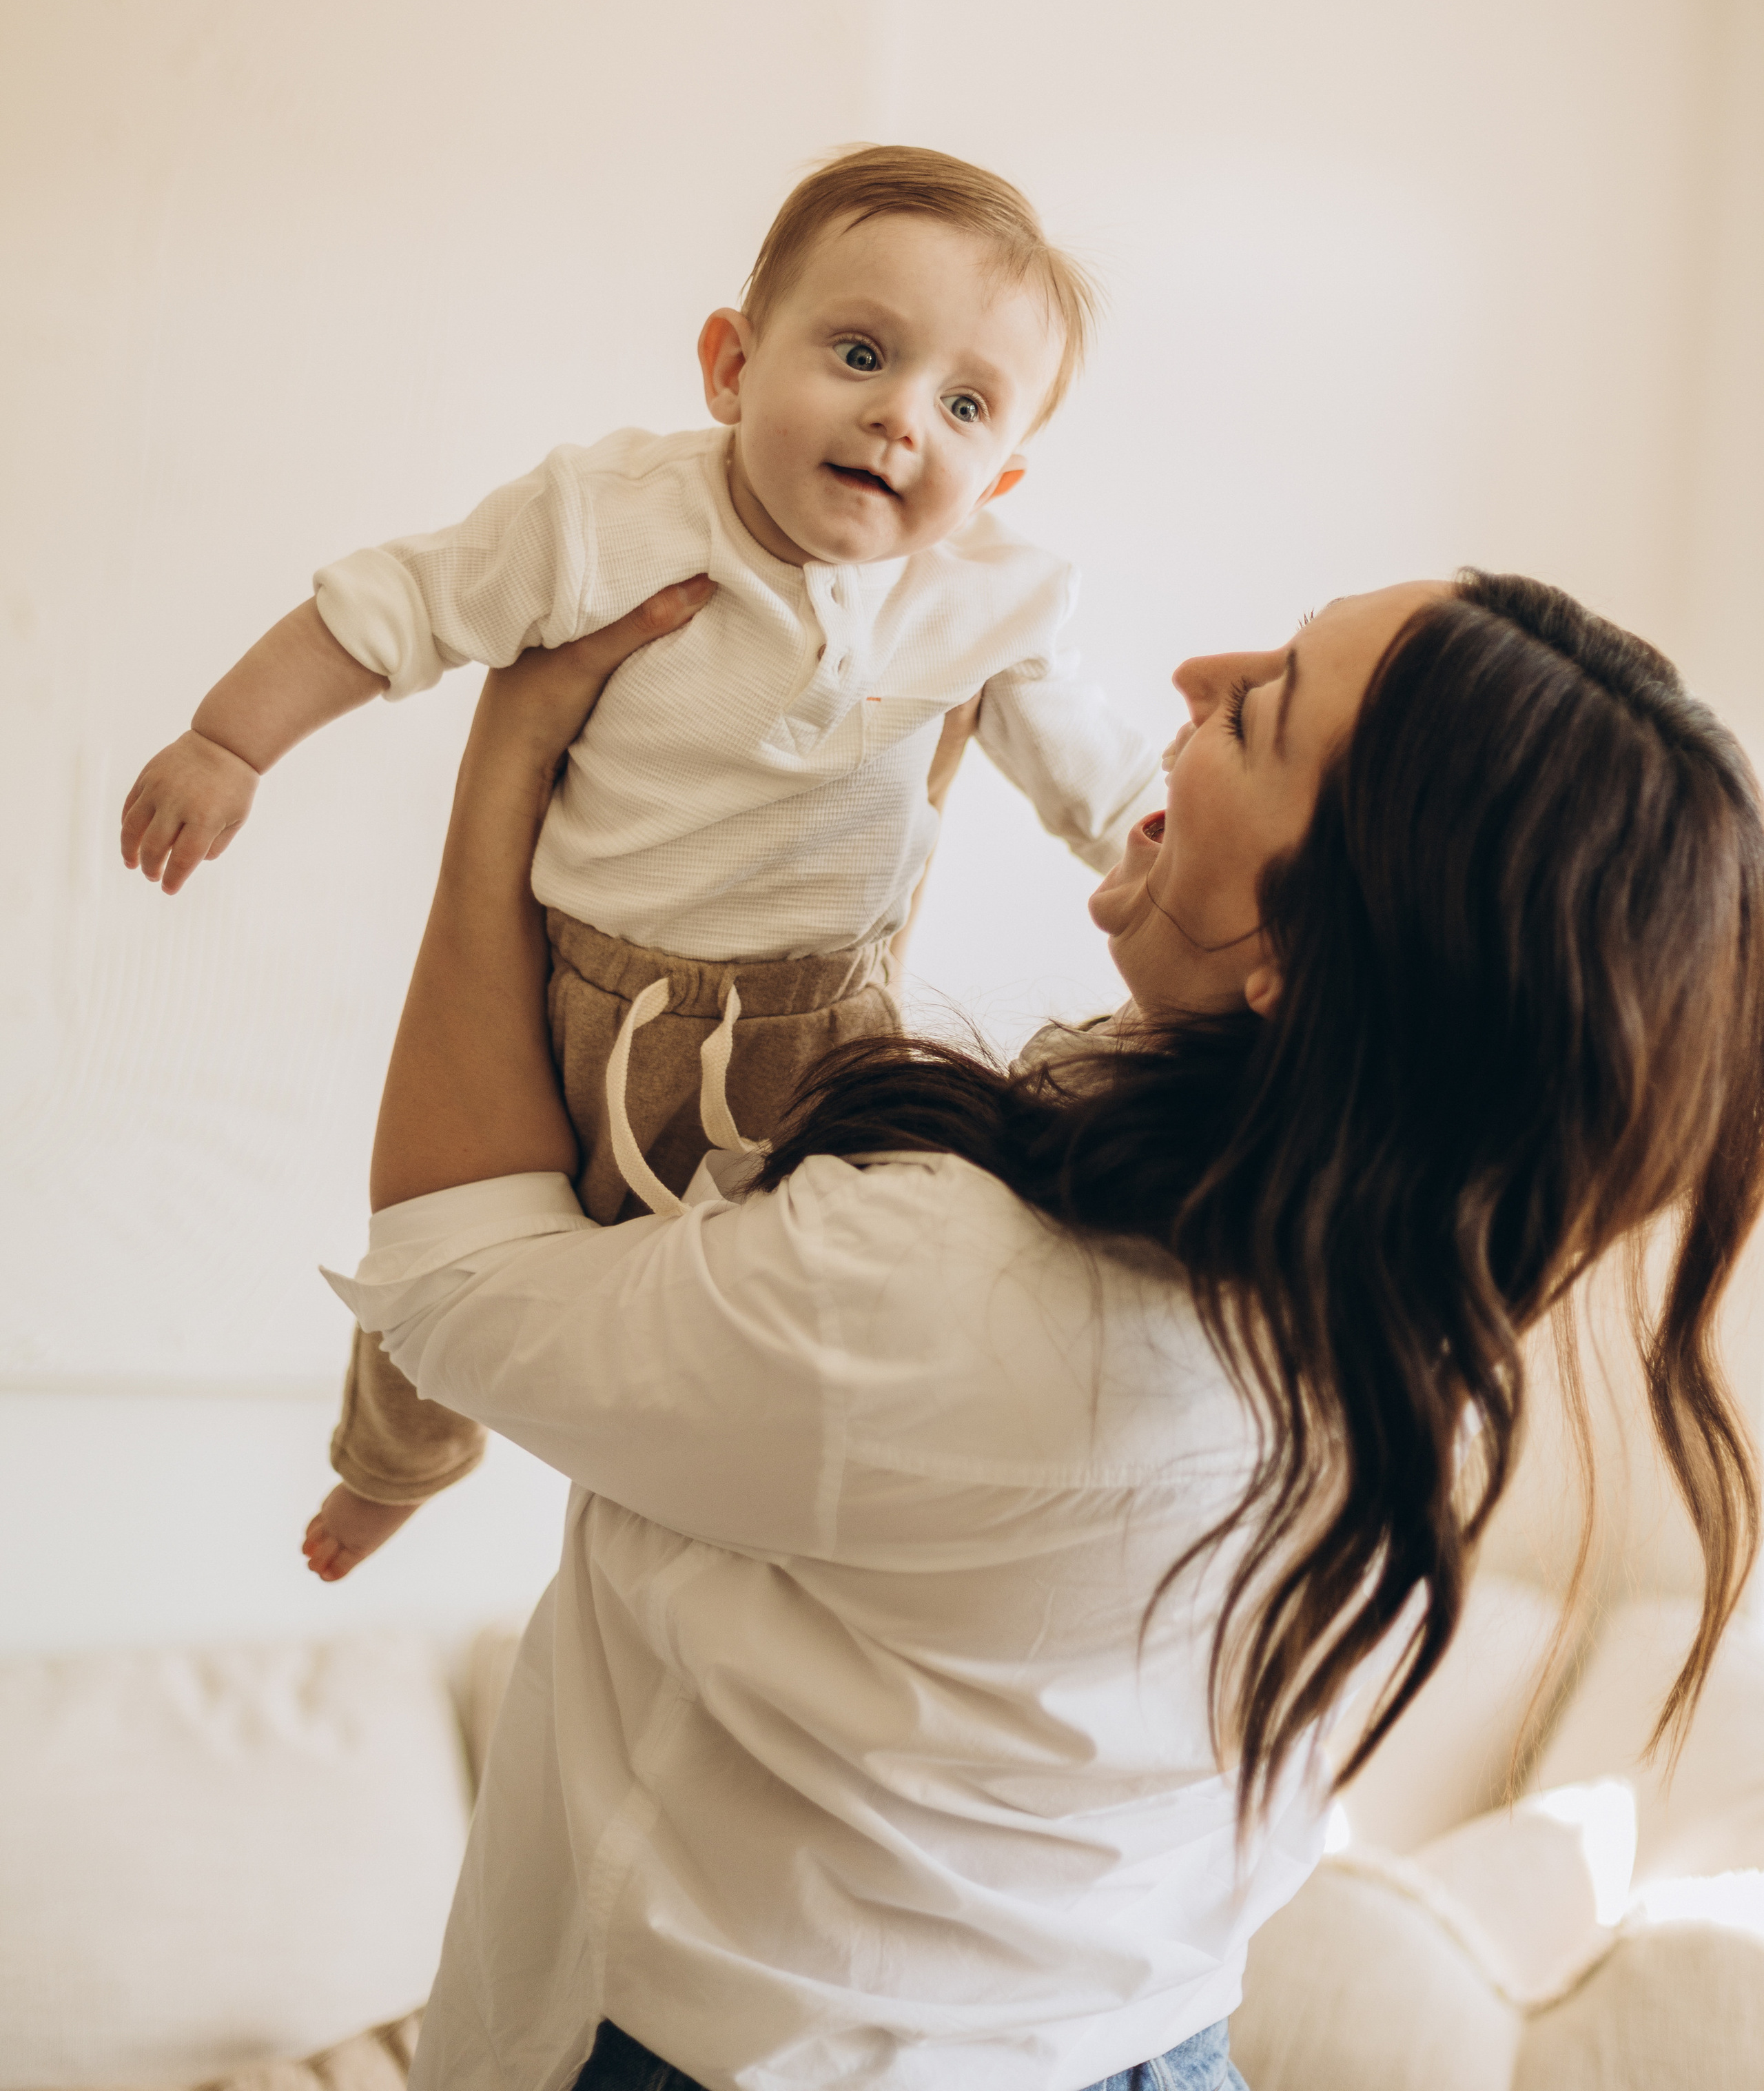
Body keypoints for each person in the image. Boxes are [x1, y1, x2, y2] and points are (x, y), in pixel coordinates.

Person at [328, 567, 1764, 2091]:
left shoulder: (966, 1291)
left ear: (1299, 957)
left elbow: (450, 1277)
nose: (1197, 674)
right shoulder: (1410, 1332)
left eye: (1259, 711)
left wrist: (515, 752)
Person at [115, 147, 1161, 1580]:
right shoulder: (610, 516)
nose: (900, 418)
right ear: (731, 365)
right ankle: (395, 1462)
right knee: (447, 1254)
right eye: (861, 354)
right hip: (589, 995)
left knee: (808, 1290)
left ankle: (760, 1519)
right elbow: (402, 602)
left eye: (966, 405)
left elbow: (1101, 776)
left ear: (1004, 476)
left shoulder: (989, 600)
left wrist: (1182, 860)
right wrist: (229, 742)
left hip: (826, 1019)